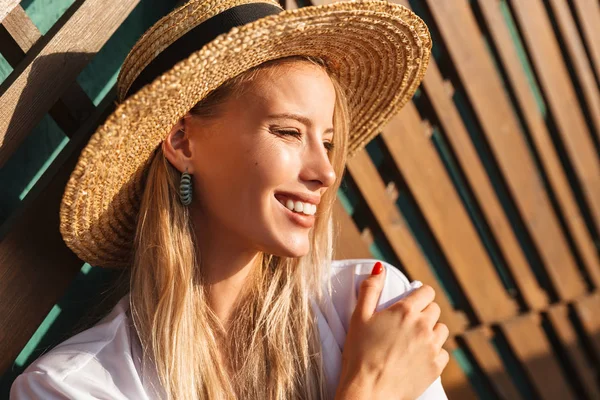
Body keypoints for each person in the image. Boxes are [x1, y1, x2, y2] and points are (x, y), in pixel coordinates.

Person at [10, 0, 449, 399]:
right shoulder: (73, 387)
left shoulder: (372, 306)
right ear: (182, 143)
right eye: (289, 132)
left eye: (329, 142)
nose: (326, 172)